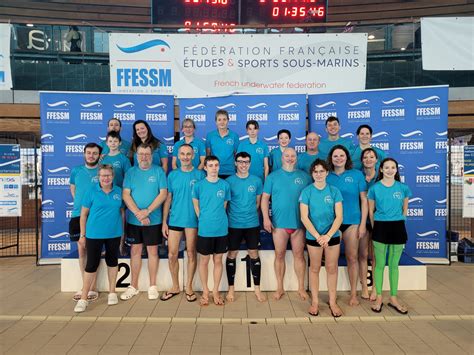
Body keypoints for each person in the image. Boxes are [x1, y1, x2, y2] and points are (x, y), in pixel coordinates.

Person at [261, 148, 311, 300]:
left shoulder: (305, 177)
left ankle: (301, 288)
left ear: (297, 158)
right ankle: (279, 287)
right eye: (287, 155)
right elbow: (264, 199)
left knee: (299, 255)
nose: (290, 158)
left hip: (299, 224)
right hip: (279, 224)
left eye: (293, 156)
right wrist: (266, 218)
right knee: (279, 254)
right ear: (281, 158)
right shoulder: (272, 177)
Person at [74, 165, 125, 313]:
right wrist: (82, 235)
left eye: (108, 175)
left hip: (114, 234)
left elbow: (121, 213)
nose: (106, 178)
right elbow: (83, 215)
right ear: (99, 177)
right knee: (91, 265)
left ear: (113, 176)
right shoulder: (91, 192)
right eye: (103, 175)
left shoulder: (118, 192)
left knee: (112, 261)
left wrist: (122, 235)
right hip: (94, 234)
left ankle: (112, 292)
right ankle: (84, 298)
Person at [121, 144, 168, 301]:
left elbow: (163, 194)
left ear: (152, 155)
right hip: (135, 220)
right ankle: (133, 286)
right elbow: (126, 194)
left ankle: (152, 286)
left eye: (147, 154)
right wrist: (138, 214)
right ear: (136, 156)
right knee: (135, 251)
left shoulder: (158, 171)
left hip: (153, 220)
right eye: (141, 154)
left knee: (153, 252)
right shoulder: (131, 172)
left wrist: (147, 212)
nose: (144, 157)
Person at [161, 144, 205, 302]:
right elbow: (168, 199)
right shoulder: (172, 175)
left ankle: (189, 287)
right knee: (172, 254)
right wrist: (164, 222)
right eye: (182, 154)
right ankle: (175, 286)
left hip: (192, 221)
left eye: (188, 154)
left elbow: (204, 199)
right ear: (178, 156)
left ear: (193, 156)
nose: (185, 157)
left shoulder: (200, 175)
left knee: (191, 253)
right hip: (175, 220)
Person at [300, 159, 343, 317]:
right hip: (314, 237)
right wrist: (318, 236)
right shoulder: (306, 192)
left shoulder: (334, 191)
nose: (318, 174)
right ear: (312, 174)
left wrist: (328, 235)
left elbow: (339, 217)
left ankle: (332, 302)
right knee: (315, 269)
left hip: (331, 235)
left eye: (321, 171)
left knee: (332, 268)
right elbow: (304, 217)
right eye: (315, 171)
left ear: (327, 173)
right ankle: (315, 302)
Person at [368, 158, 411, 314]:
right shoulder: (374, 189)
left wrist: (399, 220)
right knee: (379, 264)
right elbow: (371, 211)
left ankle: (393, 298)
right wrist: (376, 228)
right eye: (386, 167)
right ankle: (379, 297)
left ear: (396, 170)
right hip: (380, 227)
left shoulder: (403, 188)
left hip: (398, 227)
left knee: (394, 265)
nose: (390, 170)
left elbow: (405, 209)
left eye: (393, 167)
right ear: (381, 170)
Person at [327, 145, 368, 306]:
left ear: (347, 158)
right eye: (335, 156)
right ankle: (332, 295)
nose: (338, 158)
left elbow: (364, 200)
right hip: (332, 224)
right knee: (332, 261)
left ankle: (353, 294)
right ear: (331, 158)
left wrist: (363, 223)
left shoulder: (357, 175)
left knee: (352, 257)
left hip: (352, 222)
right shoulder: (326, 176)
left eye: (341, 155)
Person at [225, 152, 266, 303]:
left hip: (252, 224)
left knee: (254, 253)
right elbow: (226, 204)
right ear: (235, 163)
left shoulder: (256, 181)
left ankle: (257, 289)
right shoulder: (228, 181)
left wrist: (248, 215)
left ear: (250, 163)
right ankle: (231, 289)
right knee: (232, 254)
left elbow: (257, 203)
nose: (243, 164)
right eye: (240, 162)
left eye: (246, 162)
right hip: (233, 224)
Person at [192, 156, 231, 306]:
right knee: (204, 261)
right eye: (211, 165)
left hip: (221, 229)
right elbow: (196, 205)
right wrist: (203, 219)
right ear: (206, 168)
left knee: (218, 260)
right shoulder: (198, 186)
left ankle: (215, 291)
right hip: (205, 230)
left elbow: (224, 205)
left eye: (216, 165)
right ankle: (205, 291)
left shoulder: (225, 185)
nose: (214, 168)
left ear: (219, 167)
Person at [69, 143, 101, 302]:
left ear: (99, 156)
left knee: (94, 250)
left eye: (94, 153)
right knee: (82, 250)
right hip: (77, 215)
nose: (91, 155)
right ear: (84, 154)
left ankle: (92, 287)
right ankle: (84, 286)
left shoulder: (103, 172)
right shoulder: (76, 171)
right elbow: (73, 190)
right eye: (89, 153)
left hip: (96, 216)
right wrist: (82, 207)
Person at [360, 147, 379, 301]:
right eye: (365, 157)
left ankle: (376, 289)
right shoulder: (357, 177)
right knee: (363, 255)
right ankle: (364, 287)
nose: (368, 159)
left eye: (371, 157)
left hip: (378, 221)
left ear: (376, 160)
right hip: (362, 221)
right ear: (361, 160)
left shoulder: (381, 177)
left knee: (375, 257)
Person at [205, 110, 239, 179]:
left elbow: (236, 155)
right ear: (216, 122)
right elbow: (208, 155)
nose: (222, 122)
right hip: (214, 171)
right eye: (219, 120)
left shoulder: (234, 136)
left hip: (230, 171)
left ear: (228, 121)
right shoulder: (210, 136)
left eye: (224, 119)